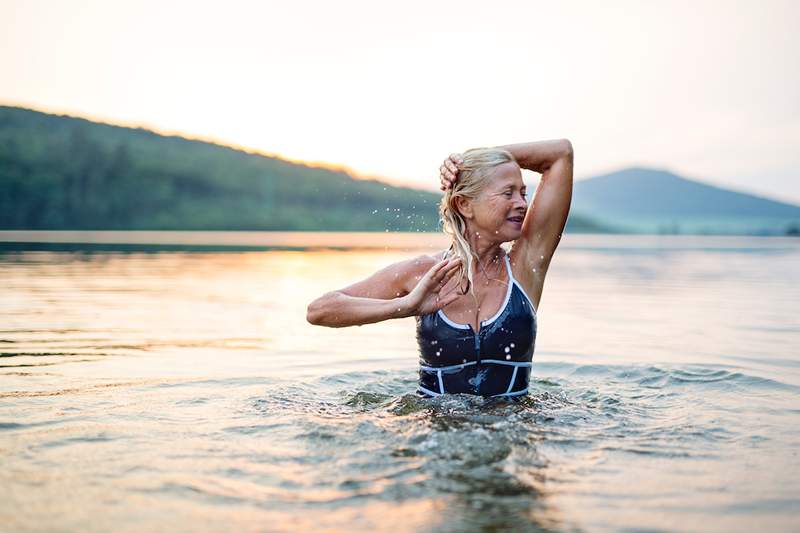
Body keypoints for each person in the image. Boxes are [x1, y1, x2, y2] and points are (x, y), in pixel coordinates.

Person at [307, 140, 574, 399]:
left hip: (511, 433)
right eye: (508, 193)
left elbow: (560, 154)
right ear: (464, 205)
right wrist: (407, 306)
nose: (522, 204)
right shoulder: (422, 272)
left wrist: (473, 159)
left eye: (523, 193)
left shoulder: (526, 265)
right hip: (435, 431)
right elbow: (320, 310)